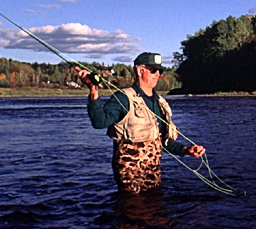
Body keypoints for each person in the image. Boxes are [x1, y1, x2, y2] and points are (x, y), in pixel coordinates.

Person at [77, 52, 205, 194]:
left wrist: (186, 150)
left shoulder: (159, 102)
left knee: (157, 211)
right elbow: (99, 122)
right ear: (140, 70)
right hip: (130, 177)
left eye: (160, 71)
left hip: (153, 175)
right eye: (153, 70)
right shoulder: (123, 98)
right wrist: (93, 90)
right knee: (135, 212)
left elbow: (159, 141)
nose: (157, 74)